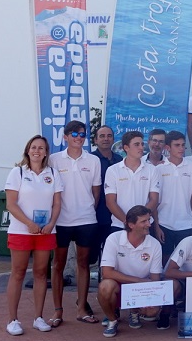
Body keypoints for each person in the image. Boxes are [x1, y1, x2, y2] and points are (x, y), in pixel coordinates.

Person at [4, 135, 63, 335]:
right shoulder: (17, 172)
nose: (37, 151)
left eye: (41, 148)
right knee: (18, 273)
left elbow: (57, 204)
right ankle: (12, 320)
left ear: (46, 152)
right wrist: (29, 223)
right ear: (28, 150)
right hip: (21, 231)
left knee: (40, 274)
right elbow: (11, 204)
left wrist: (51, 224)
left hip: (46, 231)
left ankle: (38, 317)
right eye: (33, 147)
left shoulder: (53, 173)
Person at [49, 121, 101, 326]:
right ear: (65, 137)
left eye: (82, 134)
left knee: (83, 264)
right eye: (74, 134)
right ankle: (57, 311)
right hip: (60, 221)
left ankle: (81, 308)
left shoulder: (93, 160)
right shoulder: (54, 160)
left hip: (86, 220)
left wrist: (86, 209)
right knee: (58, 265)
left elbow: (96, 193)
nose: (79, 137)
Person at [98, 206, 162, 337]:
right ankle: (112, 319)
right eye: (144, 221)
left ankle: (135, 312)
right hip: (120, 285)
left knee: (152, 311)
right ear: (131, 225)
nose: (149, 224)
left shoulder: (155, 244)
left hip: (140, 288)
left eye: (149, 220)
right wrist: (138, 280)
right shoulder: (113, 239)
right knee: (105, 287)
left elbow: (155, 278)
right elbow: (107, 273)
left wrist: (150, 298)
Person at [154, 130, 192, 265]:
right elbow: (154, 200)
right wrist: (156, 226)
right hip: (164, 223)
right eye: (177, 145)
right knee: (164, 260)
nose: (181, 148)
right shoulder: (158, 169)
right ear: (167, 148)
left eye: (183, 145)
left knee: (186, 261)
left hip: (186, 223)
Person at [104, 131, 159, 234]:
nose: (141, 148)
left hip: (145, 226)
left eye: (142, 144)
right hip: (120, 225)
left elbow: (154, 199)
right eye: (136, 144)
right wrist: (128, 222)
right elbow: (110, 202)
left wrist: (140, 221)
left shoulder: (152, 170)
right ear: (126, 148)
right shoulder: (113, 170)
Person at [92, 126, 122, 265]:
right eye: (102, 136)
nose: (106, 139)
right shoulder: (90, 159)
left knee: (114, 256)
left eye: (109, 136)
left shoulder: (120, 160)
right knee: (90, 257)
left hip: (116, 215)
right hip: (95, 214)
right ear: (96, 140)